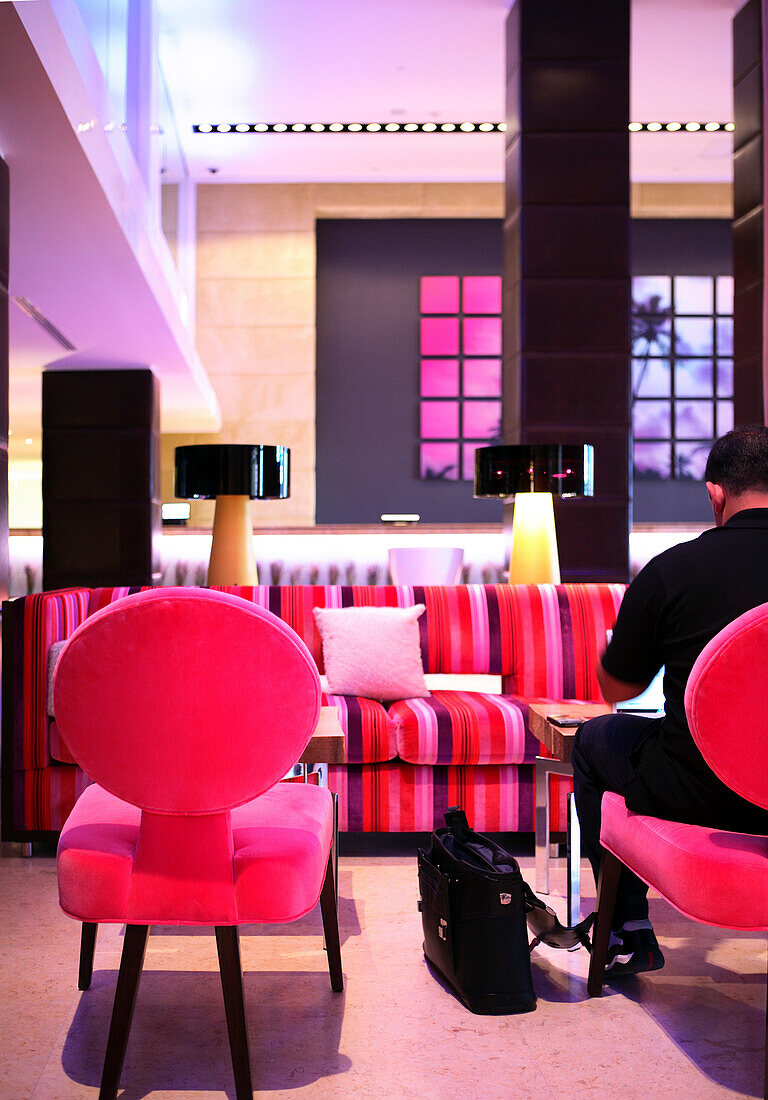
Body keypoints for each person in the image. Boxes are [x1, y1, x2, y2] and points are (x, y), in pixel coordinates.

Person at [572, 425, 768, 977]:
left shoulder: (675, 569)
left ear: (715, 493)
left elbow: (618, 688)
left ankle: (628, 931)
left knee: (592, 742)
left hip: (700, 793)